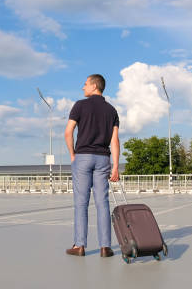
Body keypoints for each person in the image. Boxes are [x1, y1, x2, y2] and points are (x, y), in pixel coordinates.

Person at [64, 74, 120, 257]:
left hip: (83, 157)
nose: (83, 87)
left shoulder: (80, 105)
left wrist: (73, 154)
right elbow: (115, 140)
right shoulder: (112, 110)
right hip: (103, 159)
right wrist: (116, 166)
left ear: (95, 86)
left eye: (85, 84)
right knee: (103, 202)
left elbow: (68, 132)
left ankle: (80, 246)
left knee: (81, 203)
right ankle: (106, 247)